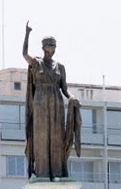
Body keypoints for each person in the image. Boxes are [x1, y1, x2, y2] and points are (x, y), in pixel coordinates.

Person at [22, 22, 80, 180]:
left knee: (56, 137)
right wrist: (27, 34)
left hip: (56, 102)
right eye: (47, 46)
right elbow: (24, 54)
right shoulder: (36, 63)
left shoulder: (60, 67)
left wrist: (72, 97)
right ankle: (42, 172)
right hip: (40, 101)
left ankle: (56, 172)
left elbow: (65, 89)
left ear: (55, 48)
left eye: (52, 46)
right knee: (41, 137)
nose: (50, 49)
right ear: (43, 48)